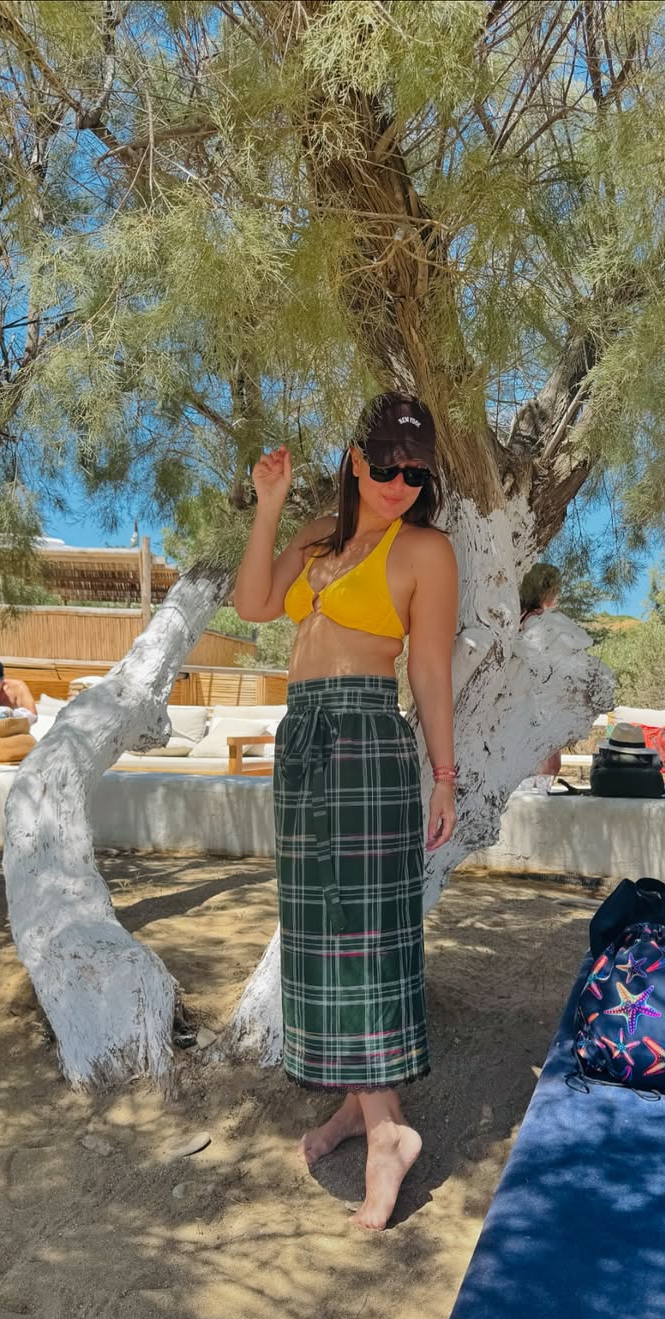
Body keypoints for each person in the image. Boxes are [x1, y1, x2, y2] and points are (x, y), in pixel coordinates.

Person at [233, 392, 458, 1232]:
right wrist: (268, 507)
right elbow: (254, 604)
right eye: (387, 464)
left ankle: (389, 1132)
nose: (400, 483)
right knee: (318, 933)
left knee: (364, 934)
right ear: (357, 458)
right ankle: (363, 1110)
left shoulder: (426, 551)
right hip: (303, 737)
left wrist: (444, 776)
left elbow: (428, 670)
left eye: (416, 472)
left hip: (366, 737)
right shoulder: (317, 536)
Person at [519, 563, 563, 790]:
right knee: (547, 764)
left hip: (530, 699)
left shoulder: (523, 618)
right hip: (539, 701)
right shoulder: (537, 621)